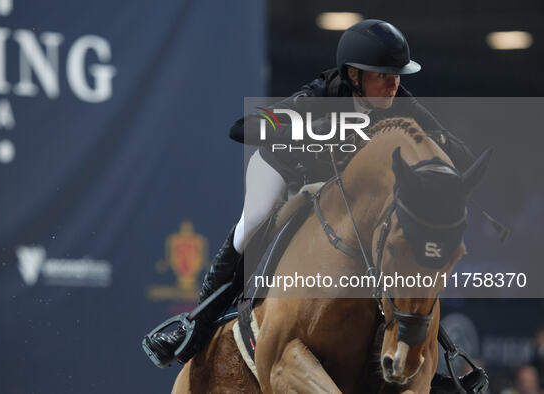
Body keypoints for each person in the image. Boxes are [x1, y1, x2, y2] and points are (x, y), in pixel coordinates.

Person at [147, 20, 480, 389]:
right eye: (383, 75)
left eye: (397, 75)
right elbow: (243, 127)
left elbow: (460, 152)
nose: (394, 83)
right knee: (255, 218)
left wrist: (435, 143)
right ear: (353, 75)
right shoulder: (321, 93)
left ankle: (432, 349)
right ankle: (197, 323)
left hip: (342, 190)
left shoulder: (399, 102)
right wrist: (306, 128)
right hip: (287, 170)